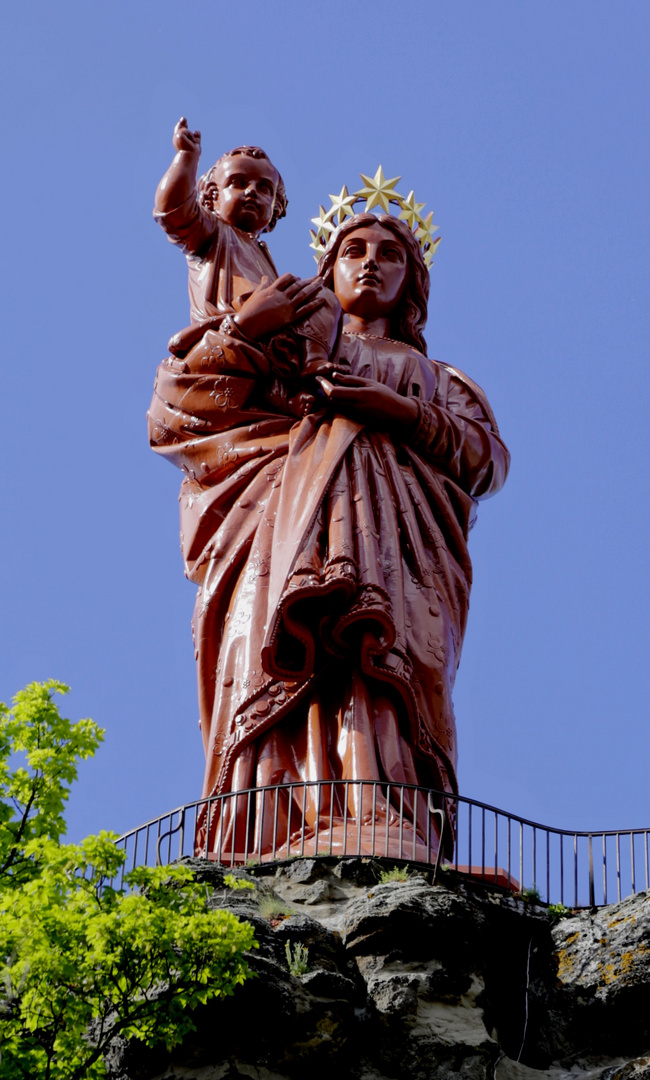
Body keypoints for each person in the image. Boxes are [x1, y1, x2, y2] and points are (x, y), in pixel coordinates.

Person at [148, 209, 509, 860]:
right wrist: (242, 329)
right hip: (283, 530)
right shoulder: (285, 357)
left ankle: (383, 810)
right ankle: (269, 823)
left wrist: (390, 407)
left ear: (413, 283)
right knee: (288, 659)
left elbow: (485, 458)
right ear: (328, 270)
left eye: (390, 254)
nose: (371, 262)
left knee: (379, 662)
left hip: (400, 544)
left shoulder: (441, 380)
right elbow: (177, 408)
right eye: (354, 251)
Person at [154, 118, 341, 417]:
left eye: (264, 188)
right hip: (231, 326)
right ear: (212, 197)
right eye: (238, 183)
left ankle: (311, 368)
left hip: (275, 335)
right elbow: (172, 212)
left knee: (323, 295)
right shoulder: (211, 232)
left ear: (276, 207)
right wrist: (187, 157)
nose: (252, 192)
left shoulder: (261, 251)